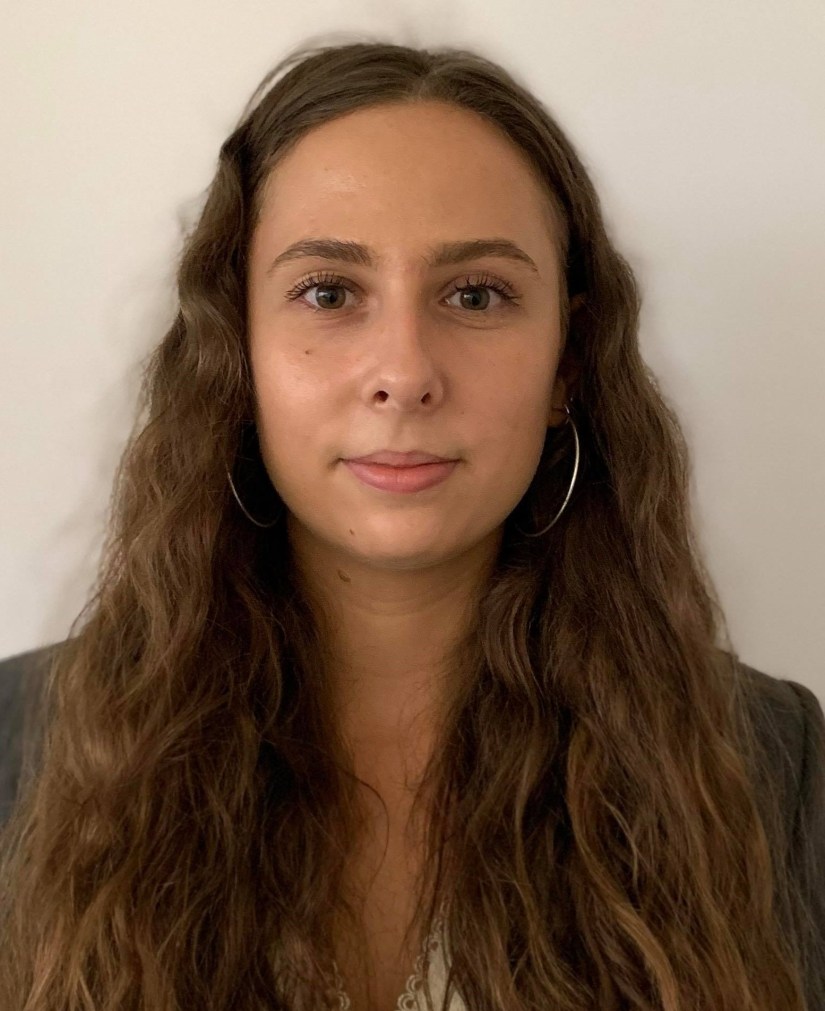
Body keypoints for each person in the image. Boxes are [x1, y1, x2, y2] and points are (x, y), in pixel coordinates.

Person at [0, 37, 822, 1011]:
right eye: (328, 292)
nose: (404, 371)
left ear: (567, 363)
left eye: (476, 295)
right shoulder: (21, 743)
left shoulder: (766, 759)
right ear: (236, 355)